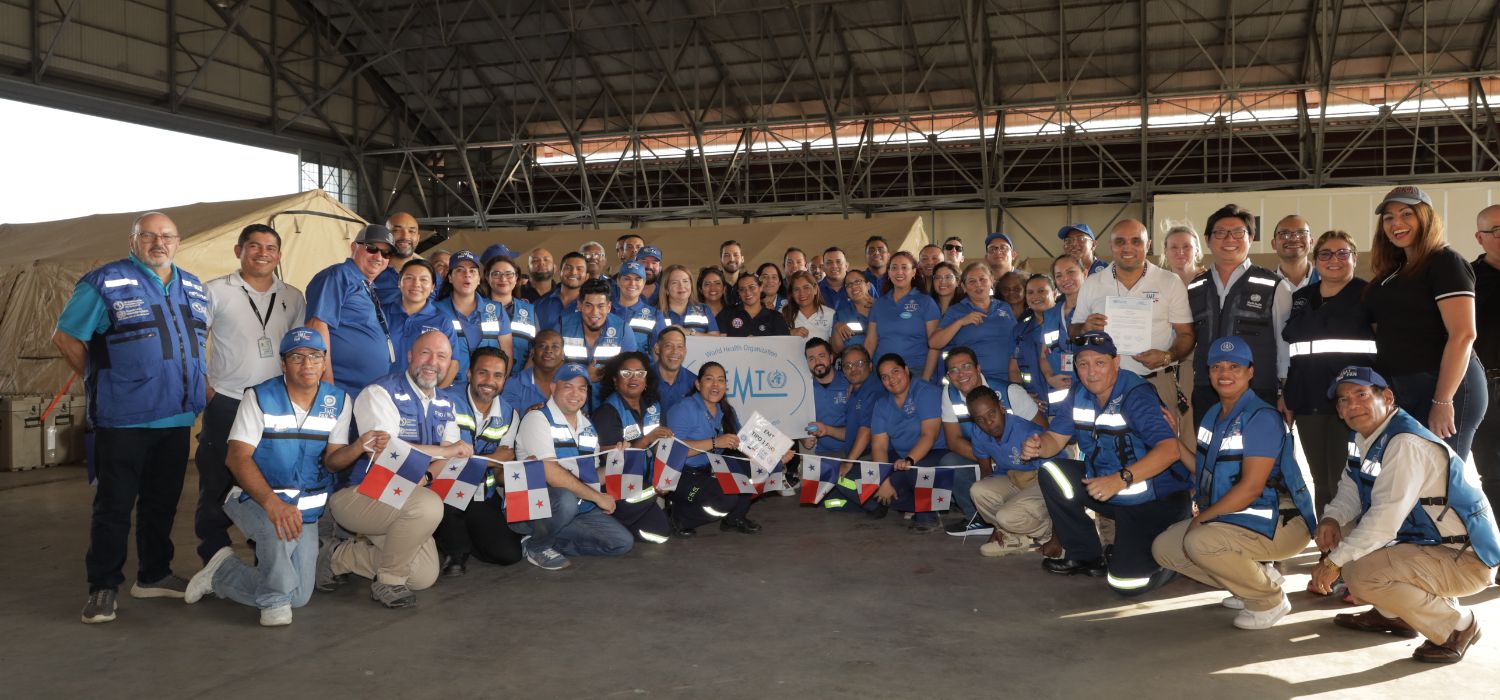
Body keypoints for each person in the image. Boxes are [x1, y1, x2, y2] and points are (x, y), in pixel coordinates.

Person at [54, 211, 210, 623]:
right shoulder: (104, 282)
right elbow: (66, 336)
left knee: (162, 503)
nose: (159, 243)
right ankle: (103, 586)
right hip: (124, 419)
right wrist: (101, 377)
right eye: (150, 236)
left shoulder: (192, 285)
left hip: (176, 419)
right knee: (114, 506)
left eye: (167, 236)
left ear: (178, 241)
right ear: (133, 239)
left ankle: (154, 574)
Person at [1310, 366, 1500, 663]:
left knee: (1361, 575)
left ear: (1386, 397)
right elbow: (1350, 488)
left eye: (1361, 394)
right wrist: (1331, 518)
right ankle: (1395, 614)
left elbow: (1384, 520)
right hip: (1429, 544)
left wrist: (1334, 562)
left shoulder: (1404, 443)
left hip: (1465, 558)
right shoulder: (1366, 437)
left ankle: (1458, 626)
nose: (1351, 405)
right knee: (1342, 528)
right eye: (1343, 400)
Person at [184, 328, 371, 626]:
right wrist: (272, 503)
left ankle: (223, 572)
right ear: (283, 364)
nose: (307, 364)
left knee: (299, 596)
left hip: (305, 509)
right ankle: (272, 603)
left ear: (324, 362)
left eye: (314, 356)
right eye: (297, 357)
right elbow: (236, 457)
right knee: (279, 541)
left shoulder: (337, 401)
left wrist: (358, 447)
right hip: (254, 498)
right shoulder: (259, 397)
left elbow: (333, 463)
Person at [1151, 336, 1317, 630]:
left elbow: (1251, 488)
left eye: (1234, 366)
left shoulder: (1261, 417)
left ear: (1250, 371)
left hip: (1279, 521)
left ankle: (1269, 599)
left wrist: (1202, 518)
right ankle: (1251, 582)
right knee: (1165, 547)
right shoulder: (1214, 414)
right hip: (1240, 518)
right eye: (1217, 366)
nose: (1225, 373)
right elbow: (1204, 471)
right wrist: (1175, 442)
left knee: (1198, 541)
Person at [1024, 331, 1193, 596]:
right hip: (1109, 492)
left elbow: (1170, 450)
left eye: (1100, 363)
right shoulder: (1079, 393)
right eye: (1083, 364)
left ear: (1116, 363)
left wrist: (1120, 479)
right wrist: (1037, 444)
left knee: (1126, 584)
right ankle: (1086, 556)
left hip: (1154, 501)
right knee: (1052, 471)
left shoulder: (1136, 394)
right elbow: (1054, 440)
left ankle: (1179, 558)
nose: (1091, 372)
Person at [324, 330, 470, 608]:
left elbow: (450, 459)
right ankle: (388, 582)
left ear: (450, 365)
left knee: (423, 576)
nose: (432, 362)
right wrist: (447, 451)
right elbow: (387, 452)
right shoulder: (379, 393)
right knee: (428, 506)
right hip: (361, 495)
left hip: (404, 499)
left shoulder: (445, 402)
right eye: (426, 353)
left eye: (442, 356)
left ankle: (337, 555)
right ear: (410, 356)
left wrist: (428, 475)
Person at [196, 224, 306, 566]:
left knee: (270, 480)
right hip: (227, 400)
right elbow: (194, 341)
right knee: (217, 480)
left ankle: (268, 555)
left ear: (279, 255)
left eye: (270, 247)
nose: (262, 253)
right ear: (238, 251)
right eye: (254, 246)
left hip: (274, 404)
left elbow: (299, 347)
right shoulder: (215, 290)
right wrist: (208, 390)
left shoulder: (292, 295)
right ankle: (214, 558)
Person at [1364, 185, 1487, 460]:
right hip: (1403, 387)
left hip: (1445, 387)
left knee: (1437, 483)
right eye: (1388, 218)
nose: (1396, 223)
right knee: (1408, 479)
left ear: (1426, 218)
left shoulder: (1445, 262)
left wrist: (1442, 400)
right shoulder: (1392, 273)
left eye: (1406, 214)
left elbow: (1464, 334)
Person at [1278, 231, 1375, 511]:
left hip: (1349, 402)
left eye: (1343, 253)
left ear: (1355, 259)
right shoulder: (1302, 297)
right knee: (1321, 480)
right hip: (1308, 400)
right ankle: (1327, 547)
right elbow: (1295, 351)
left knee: (1344, 479)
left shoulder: (1368, 295)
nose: (1334, 259)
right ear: (1316, 260)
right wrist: (1288, 392)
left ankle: (1350, 547)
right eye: (1326, 254)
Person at [511, 363, 634, 570]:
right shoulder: (537, 419)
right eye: (568, 386)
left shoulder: (587, 426)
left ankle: (543, 540)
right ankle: (538, 545)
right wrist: (597, 497)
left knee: (621, 543)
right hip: (534, 507)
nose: (575, 393)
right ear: (552, 388)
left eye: (582, 388)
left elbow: (592, 476)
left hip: (578, 507)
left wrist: (617, 461)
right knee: (565, 499)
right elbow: (550, 473)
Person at [1075, 219, 1195, 414]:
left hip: (1157, 382)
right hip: (1107, 386)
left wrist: (1167, 356)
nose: (1127, 247)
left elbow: (1186, 334)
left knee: (1163, 442)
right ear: (1111, 246)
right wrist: (1084, 328)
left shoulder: (1170, 282)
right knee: (1112, 443)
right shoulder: (1093, 283)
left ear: (1148, 245)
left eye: (1136, 241)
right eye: (1120, 241)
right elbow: (1074, 330)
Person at [1186, 205, 1280, 426]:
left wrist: (1284, 392)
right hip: (1207, 389)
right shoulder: (1195, 287)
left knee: (1256, 455)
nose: (1229, 238)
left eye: (1238, 232)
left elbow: (1284, 344)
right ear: (1208, 239)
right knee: (1209, 453)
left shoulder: (1273, 285)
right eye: (1220, 232)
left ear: (1251, 238)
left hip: (1258, 390)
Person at [434, 347, 525, 576]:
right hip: (445, 489)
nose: (489, 381)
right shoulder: (445, 400)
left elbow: (508, 455)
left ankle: (454, 536)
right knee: (456, 561)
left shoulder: (509, 414)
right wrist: (492, 459)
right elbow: (448, 457)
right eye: (482, 373)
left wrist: (472, 459)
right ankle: (454, 548)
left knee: (509, 555)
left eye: (497, 375)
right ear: (469, 374)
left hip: (482, 494)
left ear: (504, 380)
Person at [937, 347, 1040, 536]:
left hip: (1024, 460)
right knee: (949, 462)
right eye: (953, 370)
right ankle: (977, 519)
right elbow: (953, 440)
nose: (961, 374)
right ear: (949, 376)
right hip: (983, 454)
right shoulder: (949, 393)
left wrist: (1011, 457)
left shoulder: (1010, 391)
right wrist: (990, 458)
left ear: (978, 368)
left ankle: (1028, 522)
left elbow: (1044, 432)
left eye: (966, 366)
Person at [664, 362, 762, 534]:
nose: (716, 384)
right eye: (709, 379)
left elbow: (742, 442)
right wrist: (715, 442)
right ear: (698, 384)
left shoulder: (725, 410)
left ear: (725, 385)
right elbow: (672, 451)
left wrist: (773, 455)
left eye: (721, 380)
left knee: (760, 470)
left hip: (710, 468)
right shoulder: (683, 409)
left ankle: (734, 518)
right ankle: (678, 517)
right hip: (681, 475)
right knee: (725, 499)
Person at [965, 385, 1057, 558]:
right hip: (1012, 479)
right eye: (980, 419)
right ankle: (1012, 534)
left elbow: (1057, 479)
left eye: (992, 413)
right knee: (978, 490)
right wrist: (996, 526)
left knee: (1006, 516)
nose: (988, 422)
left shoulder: (1027, 432)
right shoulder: (978, 433)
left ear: (1001, 407)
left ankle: (1051, 533)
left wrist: (1058, 537)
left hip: (1042, 480)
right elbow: (986, 472)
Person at [591, 352, 675, 544]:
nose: (634, 377)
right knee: (647, 494)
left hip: (644, 485)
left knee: (661, 533)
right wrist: (646, 440)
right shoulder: (607, 412)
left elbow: (661, 449)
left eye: (639, 373)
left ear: (646, 381)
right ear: (615, 380)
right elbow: (611, 463)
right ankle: (600, 523)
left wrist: (664, 479)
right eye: (626, 373)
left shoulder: (654, 408)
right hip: (615, 486)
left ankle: (616, 526)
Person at [304, 224, 396, 397]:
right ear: (354, 247)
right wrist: (326, 382)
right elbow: (316, 326)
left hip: (367, 392)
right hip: (340, 390)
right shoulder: (338, 276)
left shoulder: (367, 286)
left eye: (386, 253)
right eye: (371, 248)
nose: (378, 256)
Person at [868, 354, 949, 533]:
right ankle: (926, 502)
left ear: (905, 370)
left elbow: (930, 435)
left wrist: (910, 461)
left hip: (936, 452)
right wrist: (883, 479)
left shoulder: (925, 391)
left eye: (895, 371)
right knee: (872, 481)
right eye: (884, 377)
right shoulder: (882, 404)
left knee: (916, 471)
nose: (891, 379)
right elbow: (879, 446)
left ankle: (928, 517)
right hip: (903, 458)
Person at [931, 262, 1016, 387]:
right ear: (963, 287)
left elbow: (1017, 341)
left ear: (991, 280)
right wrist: (961, 322)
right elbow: (934, 343)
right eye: (972, 281)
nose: (978, 285)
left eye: (982, 279)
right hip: (973, 383)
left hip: (1007, 380)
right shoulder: (957, 311)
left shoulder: (1004, 307)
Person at [436, 250, 513, 387]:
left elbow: (507, 355)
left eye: (473, 271)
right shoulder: (437, 310)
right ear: (450, 277)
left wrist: (497, 386)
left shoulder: (496, 311)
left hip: (487, 389)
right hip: (448, 389)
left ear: (479, 279)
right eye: (460, 270)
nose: (467, 275)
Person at [1159, 223, 1205, 435]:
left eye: (1186, 246)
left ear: (1197, 249)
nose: (1180, 252)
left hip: (1196, 366)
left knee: (1191, 428)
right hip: (1162, 367)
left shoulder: (1210, 283)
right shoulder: (1157, 284)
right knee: (1165, 425)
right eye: (1174, 247)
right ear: (1165, 251)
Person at [383, 259, 459, 388]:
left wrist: (432, 398)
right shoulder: (380, 313)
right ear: (399, 283)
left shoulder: (442, 321)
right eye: (409, 278)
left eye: (424, 280)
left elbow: (453, 364)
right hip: (379, 391)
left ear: (433, 287)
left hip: (419, 395)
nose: (416, 284)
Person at [868, 251, 940, 382]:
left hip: (915, 372)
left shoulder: (926, 303)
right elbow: (870, 342)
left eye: (904, 267)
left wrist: (925, 378)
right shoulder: (879, 304)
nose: (899, 272)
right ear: (888, 273)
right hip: (882, 374)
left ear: (913, 272)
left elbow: (935, 345)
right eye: (894, 268)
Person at [1472, 205, 1500, 516]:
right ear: (1479, 237)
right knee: (1494, 475)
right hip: (1485, 388)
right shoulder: (1467, 279)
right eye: (1496, 230)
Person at [558, 279, 638, 380]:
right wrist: (585, 376)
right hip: (572, 392)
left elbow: (630, 373)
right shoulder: (562, 327)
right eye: (588, 305)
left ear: (609, 307)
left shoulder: (623, 330)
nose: (594, 312)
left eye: (601, 306)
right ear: (579, 305)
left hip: (609, 393)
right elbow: (552, 370)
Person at [483, 253, 538, 378]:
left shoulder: (529, 310)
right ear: (487, 277)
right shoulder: (477, 308)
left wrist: (520, 381)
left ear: (516, 277)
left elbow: (536, 351)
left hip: (520, 382)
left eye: (509, 274)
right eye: (496, 274)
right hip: (484, 380)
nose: (503, 279)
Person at [1013, 274, 1060, 408]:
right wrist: (1022, 395)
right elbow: (1014, 370)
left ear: (1055, 293)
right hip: (1034, 404)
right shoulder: (1020, 329)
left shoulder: (1068, 322)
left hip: (1067, 405)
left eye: (1041, 291)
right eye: (1030, 292)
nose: (1035, 296)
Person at [804, 338, 851, 460]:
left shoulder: (849, 382)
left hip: (854, 452)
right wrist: (803, 438)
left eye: (821, 356)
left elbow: (859, 429)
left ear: (831, 358)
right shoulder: (804, 388)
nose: (817, 362)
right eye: (811, 359)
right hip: (822, 454)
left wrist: (828, 430)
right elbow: (797, 421)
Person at [503, 329, 565, 410]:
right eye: (542, 346)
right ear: (533, 352)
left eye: (555, 346)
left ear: (563, 354)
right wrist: (527, 416)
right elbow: (507, 419)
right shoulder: (514, 383)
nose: (549, 350)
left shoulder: (571, 383)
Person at [372, 212, 423, 306]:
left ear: (418, 238)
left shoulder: (431, 277)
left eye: (411, 231)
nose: (405, 236)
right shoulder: (371, 274)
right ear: (385, 236)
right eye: (396, 230)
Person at [656, 265, 720, 337]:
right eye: (675, 282)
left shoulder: (704, 309)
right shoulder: (656, 312)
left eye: (685, 281)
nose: (681, 286)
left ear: (691, 285)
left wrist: (689, 333)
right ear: (666, 289)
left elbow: (716, 338)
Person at [720, 274, 790, 337]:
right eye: (742, 289)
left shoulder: (776, 317)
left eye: (752, 287)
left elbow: (783, 346)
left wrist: (758, 344)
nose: (747, 292)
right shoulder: (727, 314)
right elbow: (720, 344)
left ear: (761, 287)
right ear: (738, 293)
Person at [535, 251, 589, 331]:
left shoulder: (591, 306)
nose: (573, 272)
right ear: (560, 273)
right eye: (568, 268)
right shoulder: (540, 304)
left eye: (579, 269)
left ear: (587, 276)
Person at [612, 261, 660, 348]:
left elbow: (659, 349)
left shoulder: (655, 315)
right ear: (618, 281)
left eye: (637, 279)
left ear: (644, 283)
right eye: (627, 278)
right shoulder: (605, 311)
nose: (632, 284)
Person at [653, 326, 697, 414]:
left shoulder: (695, 383)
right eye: (669, 346)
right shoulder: (642, 379)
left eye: (680, 347)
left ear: (685, 350)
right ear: (657, 348)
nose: (675, 352)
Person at [831, 269, 874, 356]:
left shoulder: (884, 307)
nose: (854, 287)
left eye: (858, 281)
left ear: (868, 285)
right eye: (849, 285)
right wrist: (837, 327)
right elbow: (837, 349)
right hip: (856, 366)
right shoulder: (841, 315)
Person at [785, 270, 834, 341]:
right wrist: (788, 334)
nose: (802, 293)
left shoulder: (830, 314)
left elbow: (835, 349)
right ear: (792, 293)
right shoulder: (783, 314)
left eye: (806, 287)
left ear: (815, 289)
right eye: (796, 289)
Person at [1270, 215, 1315, 291]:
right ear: (1274, 244)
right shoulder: (1263, 285)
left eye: (1301, 233)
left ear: (1311, 243)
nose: (1294, 239)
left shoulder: (1327, 280)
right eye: (1284, 234)